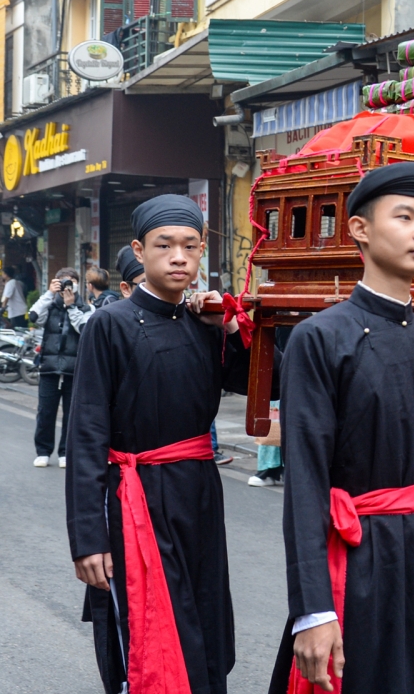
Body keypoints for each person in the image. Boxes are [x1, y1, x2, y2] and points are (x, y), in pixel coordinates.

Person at [268, 162, 414, 694]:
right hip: (361, 563)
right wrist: (312, 610)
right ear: (360, 229)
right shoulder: (320, 337)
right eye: (405, 217)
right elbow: (305, 482)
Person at [65, 194, 256, 694]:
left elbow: (258, 383)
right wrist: (88, 538)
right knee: (149, 622)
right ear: (139, 250)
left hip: (198, 491)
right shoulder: (110, 325)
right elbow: (86, 433)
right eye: (164, 245)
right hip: (135, 497)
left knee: (207, 620)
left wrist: (232, 326)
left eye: (190, 247)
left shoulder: (206, 323)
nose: (178, 257)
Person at [30, 267, 93, 468]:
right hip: (49, 367)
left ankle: (66, 451)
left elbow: (84, 330)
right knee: (45, 411)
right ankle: (43, 451)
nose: (68, 285)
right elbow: (33, 316)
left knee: (71, 412)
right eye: (64, 281)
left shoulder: (85, 307)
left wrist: (72, 306)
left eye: (72, 281)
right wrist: (49, 294)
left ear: (78, 284)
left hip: (74, 368)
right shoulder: (49, 305)